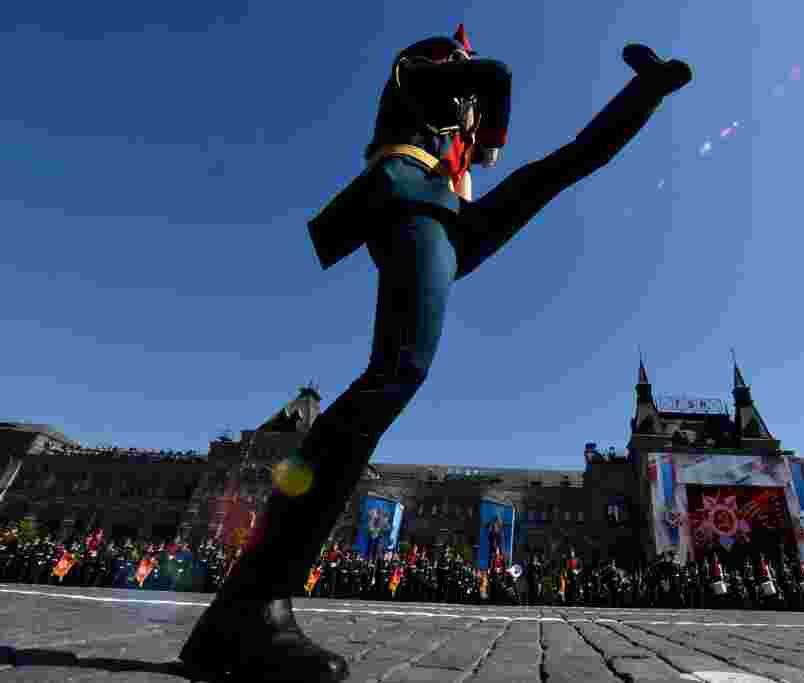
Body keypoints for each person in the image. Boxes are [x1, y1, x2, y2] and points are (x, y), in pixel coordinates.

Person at [178, 24, 692, 683]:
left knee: (561, 169)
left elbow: (559, 140)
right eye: (460, 64)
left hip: (450, 216)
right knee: (397, 370)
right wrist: (490, 127)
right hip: (407, 192)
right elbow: (495, 75)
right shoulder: (411, 77)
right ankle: (248, 603)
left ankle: (243, 609)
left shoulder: (457, 124)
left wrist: (644, 92)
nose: (468, 80)